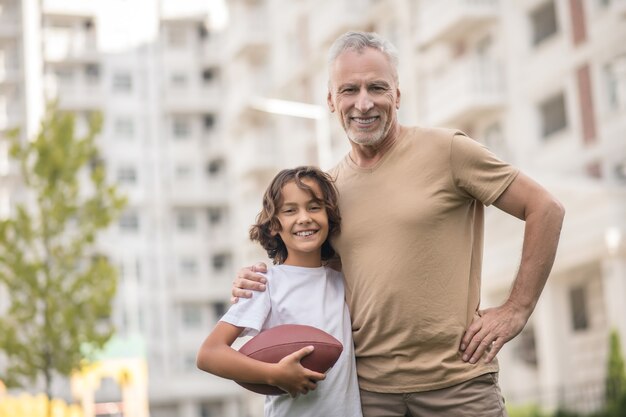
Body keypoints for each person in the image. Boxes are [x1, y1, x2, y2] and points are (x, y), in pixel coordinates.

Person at [232, 31, 565, 417]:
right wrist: (259, 281)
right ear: (330, 100)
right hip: (370, 393)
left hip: (458, 385)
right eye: (349, 90)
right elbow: (319, 272)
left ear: (398, 95)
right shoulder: (328, 193)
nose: (364, 103)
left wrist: (515, 309)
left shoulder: (449, 151)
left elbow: (546, 208)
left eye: (377, 87)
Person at [197, 166, 362, 417]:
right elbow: (209, 354)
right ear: (274, 225)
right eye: (290, 210)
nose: (304, 217)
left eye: (314, 207)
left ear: (329, 216)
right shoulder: (265, 284)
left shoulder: (345, 280)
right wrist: (275, 375)